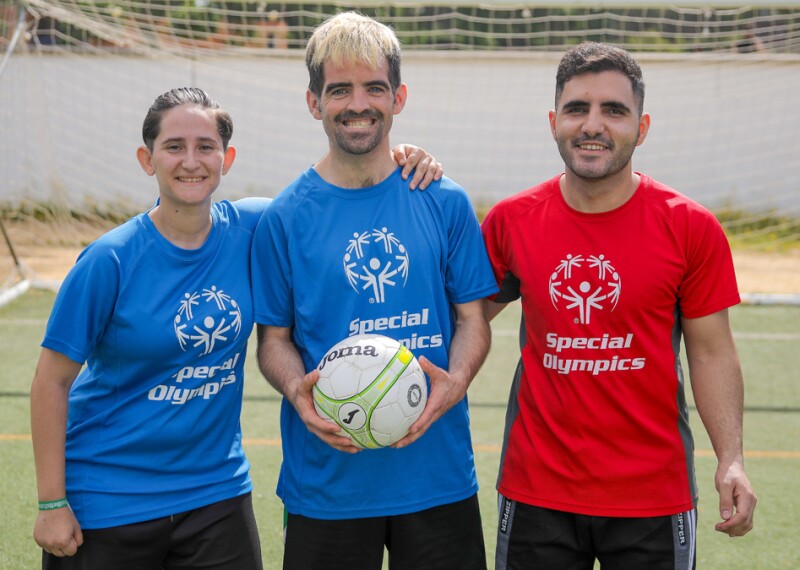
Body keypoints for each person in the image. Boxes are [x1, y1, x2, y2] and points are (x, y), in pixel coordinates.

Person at [29, 86, 442, 568]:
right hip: (110, 498)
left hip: (216, 495)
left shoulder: (254, 227)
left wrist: (403, 161)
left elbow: (335, 197)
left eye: (206, 147)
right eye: (174, 146)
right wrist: (52, 503)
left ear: (227, 158)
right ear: (147, 159)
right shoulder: (110, 260)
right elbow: (51, 382)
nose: (191, 161)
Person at [481, 42, 757, 569]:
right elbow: (462, 322)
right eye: (577, 108)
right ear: (553, 120)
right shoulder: (511, 222)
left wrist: (732, 460)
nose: (593, 124)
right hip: (536, 491)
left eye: (614, 110)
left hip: (654, 496)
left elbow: (712, 354)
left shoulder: (689, 227)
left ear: (642, 126)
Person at [250, 12, 498, 570]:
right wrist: (296, 392)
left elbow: (473, 321)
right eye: (339, 90)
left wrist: (455, 382)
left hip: (436, 476)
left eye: (374, 88)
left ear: (398, 97)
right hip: (328, 484)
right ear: (314, 102)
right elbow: (274, 340)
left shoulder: (444, 200)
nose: (357, 104)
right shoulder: (285, 217)